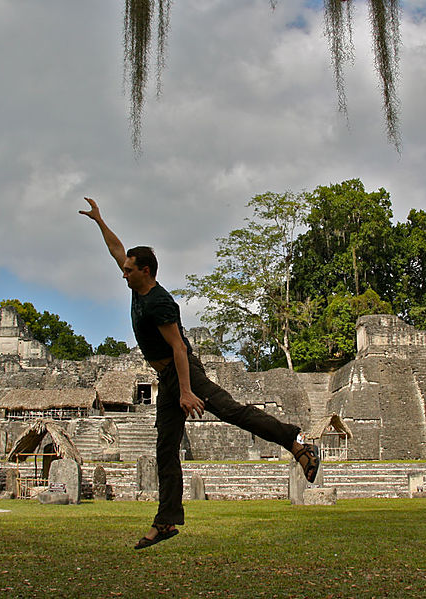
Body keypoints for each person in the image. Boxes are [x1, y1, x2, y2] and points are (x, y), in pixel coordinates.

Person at [79, 197, 320, 549]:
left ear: (146, 270)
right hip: (169, 378)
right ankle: (166, 522)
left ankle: (296, 443)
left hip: (183, 372)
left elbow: (178, 348)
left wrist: (187, 392)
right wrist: (100, 221)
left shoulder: (159, 302)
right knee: (165, 448)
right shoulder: (136, 284)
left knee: (232, 412)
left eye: (129, 269)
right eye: (125, 268)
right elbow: (117, 249)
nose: (123, 272)